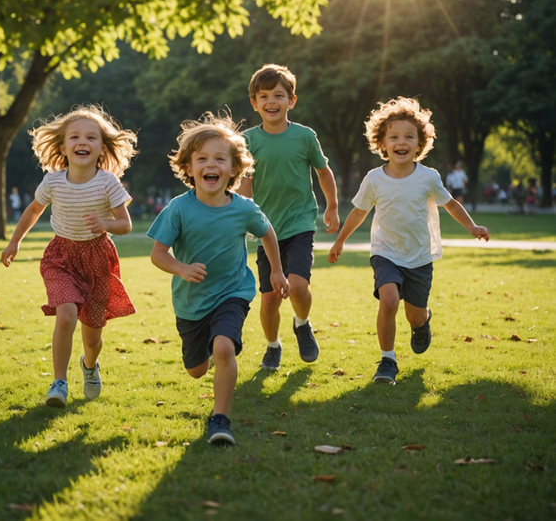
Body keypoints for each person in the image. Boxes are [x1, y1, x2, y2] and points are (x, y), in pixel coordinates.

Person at [148, 113, 288, 446]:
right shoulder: (178, 209)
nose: (211, 165)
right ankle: (208, 354)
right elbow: (158, 254)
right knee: (197, 369)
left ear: (234, 169)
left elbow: (267, 233)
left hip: (233, 291)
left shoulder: (244, 208)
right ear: (189, 167)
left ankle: (220, 418)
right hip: (191, 301)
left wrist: (278, 271)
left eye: (219, 158)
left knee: (224, 348)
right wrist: (181, 268)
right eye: (202, 159)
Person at [328, 97, 490, 385]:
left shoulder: (428, 177)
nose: (401, 142)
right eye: (394, 136)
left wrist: (472, 225)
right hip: (385, 252)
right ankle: (387, 361)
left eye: (408, 136)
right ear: (382, 142)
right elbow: (358, 212)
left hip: (418, 256)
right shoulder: (374, 179)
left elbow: (450, 204)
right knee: (388, 300)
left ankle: (422, 321)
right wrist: (340, 241)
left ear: (420, 143)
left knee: (413, 316)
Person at [1, 105, 137, 407]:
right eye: (74, 137)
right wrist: (14, 242)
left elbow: (125, 224)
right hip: (61, 256)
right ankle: (59, 382)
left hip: (98, 260)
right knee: (66, 316)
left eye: (91, 137)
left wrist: (105, 224)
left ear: (102, 148)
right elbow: (33, 210)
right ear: (63, 146)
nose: (82, 142)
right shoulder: (53, 181)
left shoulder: (108, 183)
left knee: (92, 337)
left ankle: (89, 365)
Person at [236, 64, 339, 371]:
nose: (271, 101)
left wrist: (331, 206)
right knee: (269, 300)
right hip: (265, 228)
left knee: (296, 285)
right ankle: (272, 346)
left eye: (278, 95)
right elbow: (244, 183)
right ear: (254, 103)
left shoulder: (305, 137)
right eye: (264, 96)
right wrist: (242, 215)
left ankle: (303, 323)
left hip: (300, 223)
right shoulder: (247, 140)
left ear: (291, 101)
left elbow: (323, 171)